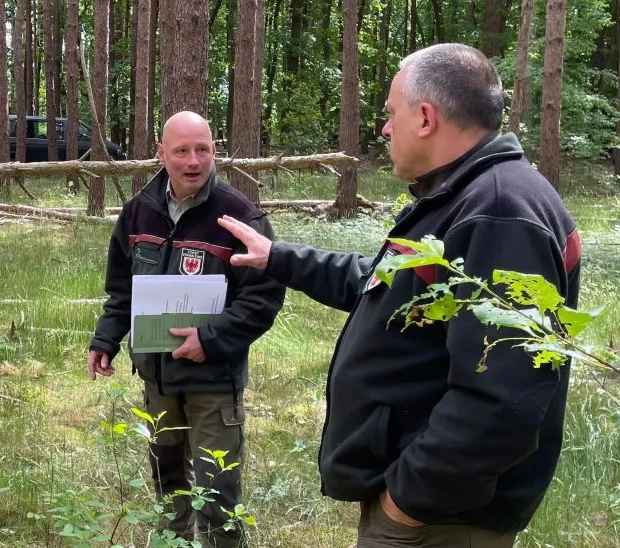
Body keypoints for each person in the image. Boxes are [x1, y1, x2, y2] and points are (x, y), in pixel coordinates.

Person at [219, 43, 580, 547]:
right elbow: (386, 286)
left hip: (441, 520)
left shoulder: (498, 210)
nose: (386, 129)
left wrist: (405, 502)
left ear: (426, 117)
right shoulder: (467, 195)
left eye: (392, 113)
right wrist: (277, 256)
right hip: (435, 510)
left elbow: (503, 399)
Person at [87, 111, 286, 548]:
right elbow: (123, 289)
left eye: (203, 149)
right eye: (181, 151)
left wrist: (210, 340)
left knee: (216, 499)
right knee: (167, 490)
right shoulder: (139, 211)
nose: (193, 160)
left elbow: (262, 298)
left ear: (215, 150)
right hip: (157, 379)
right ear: (162, 154)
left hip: (213, 383)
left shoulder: (239, 216)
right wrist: (106, 340)